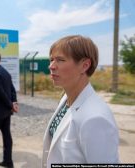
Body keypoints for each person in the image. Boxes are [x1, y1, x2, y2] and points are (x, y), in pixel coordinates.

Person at [42, 35, 120, 167]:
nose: (51, 66)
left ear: (85, 65)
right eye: (51, 60)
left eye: (60, 60)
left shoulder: (96, 118)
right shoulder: (66, 98)